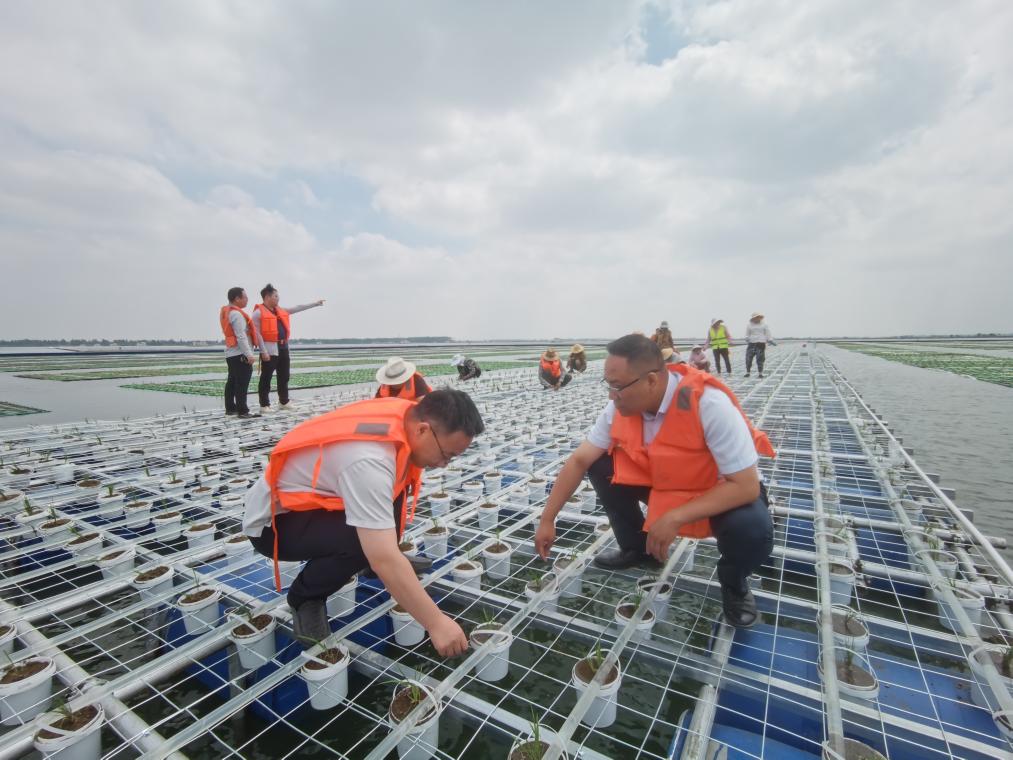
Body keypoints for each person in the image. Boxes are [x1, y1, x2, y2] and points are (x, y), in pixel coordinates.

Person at [534, 334, 775, 628]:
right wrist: (548, 519)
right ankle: (637, 549)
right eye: (608, 385)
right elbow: (579, 460)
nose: (612, 395)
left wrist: (674, 517)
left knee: (752, 529)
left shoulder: (708, 404)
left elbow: (746, 485)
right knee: (600, 464)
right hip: (668, 485)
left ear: (650, 380)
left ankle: (734, 583)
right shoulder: (620, 407)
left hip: (719, 494)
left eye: (618, 386)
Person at [243, 389, 484, 654]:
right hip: (275, 524)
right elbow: (383, 556)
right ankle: (305, 598)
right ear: (423, 430)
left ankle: (367, 563)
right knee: (364, 543)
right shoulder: (369, 460)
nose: (444, 464)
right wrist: (436, 622)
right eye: (446, 455)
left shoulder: (406, 418)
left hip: (317, 504)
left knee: (385, 509)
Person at [253, 284, 324, 413]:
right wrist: (263, 351)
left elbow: (298, 308)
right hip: (270, 350)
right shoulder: (258, 313)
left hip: (283, 347)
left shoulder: (280, 310)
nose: (278, 298)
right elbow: (257, 334)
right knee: (266, 377)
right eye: (276, 296)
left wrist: (315, 303)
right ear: (267, 297)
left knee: (284, 376)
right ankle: (264, 405)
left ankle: (283, 402)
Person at [220, 287, 259, 419]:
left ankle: (230, 409)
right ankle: (243, 411)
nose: (247, 299)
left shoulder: (227, 312)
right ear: (237, 299)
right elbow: (241, 336)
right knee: (241, 383)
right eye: (245, 297)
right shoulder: (236, 314)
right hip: (240, 354)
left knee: (232, 382)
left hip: (231, 354)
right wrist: (249, 354)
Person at [744, 312, 774, 378]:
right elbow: (747, 334)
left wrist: (770, 340)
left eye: (758, 317)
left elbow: (768, 333)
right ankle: (747, 372)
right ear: (753, 318)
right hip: (751, 343)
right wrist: (747, 338)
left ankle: (760, 373)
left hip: (761, 343)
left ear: (760, 318)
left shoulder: (764, 325)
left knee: (760, 359)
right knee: (748, 359)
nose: (757, 318)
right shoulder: (749, 325)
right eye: (755, 317)